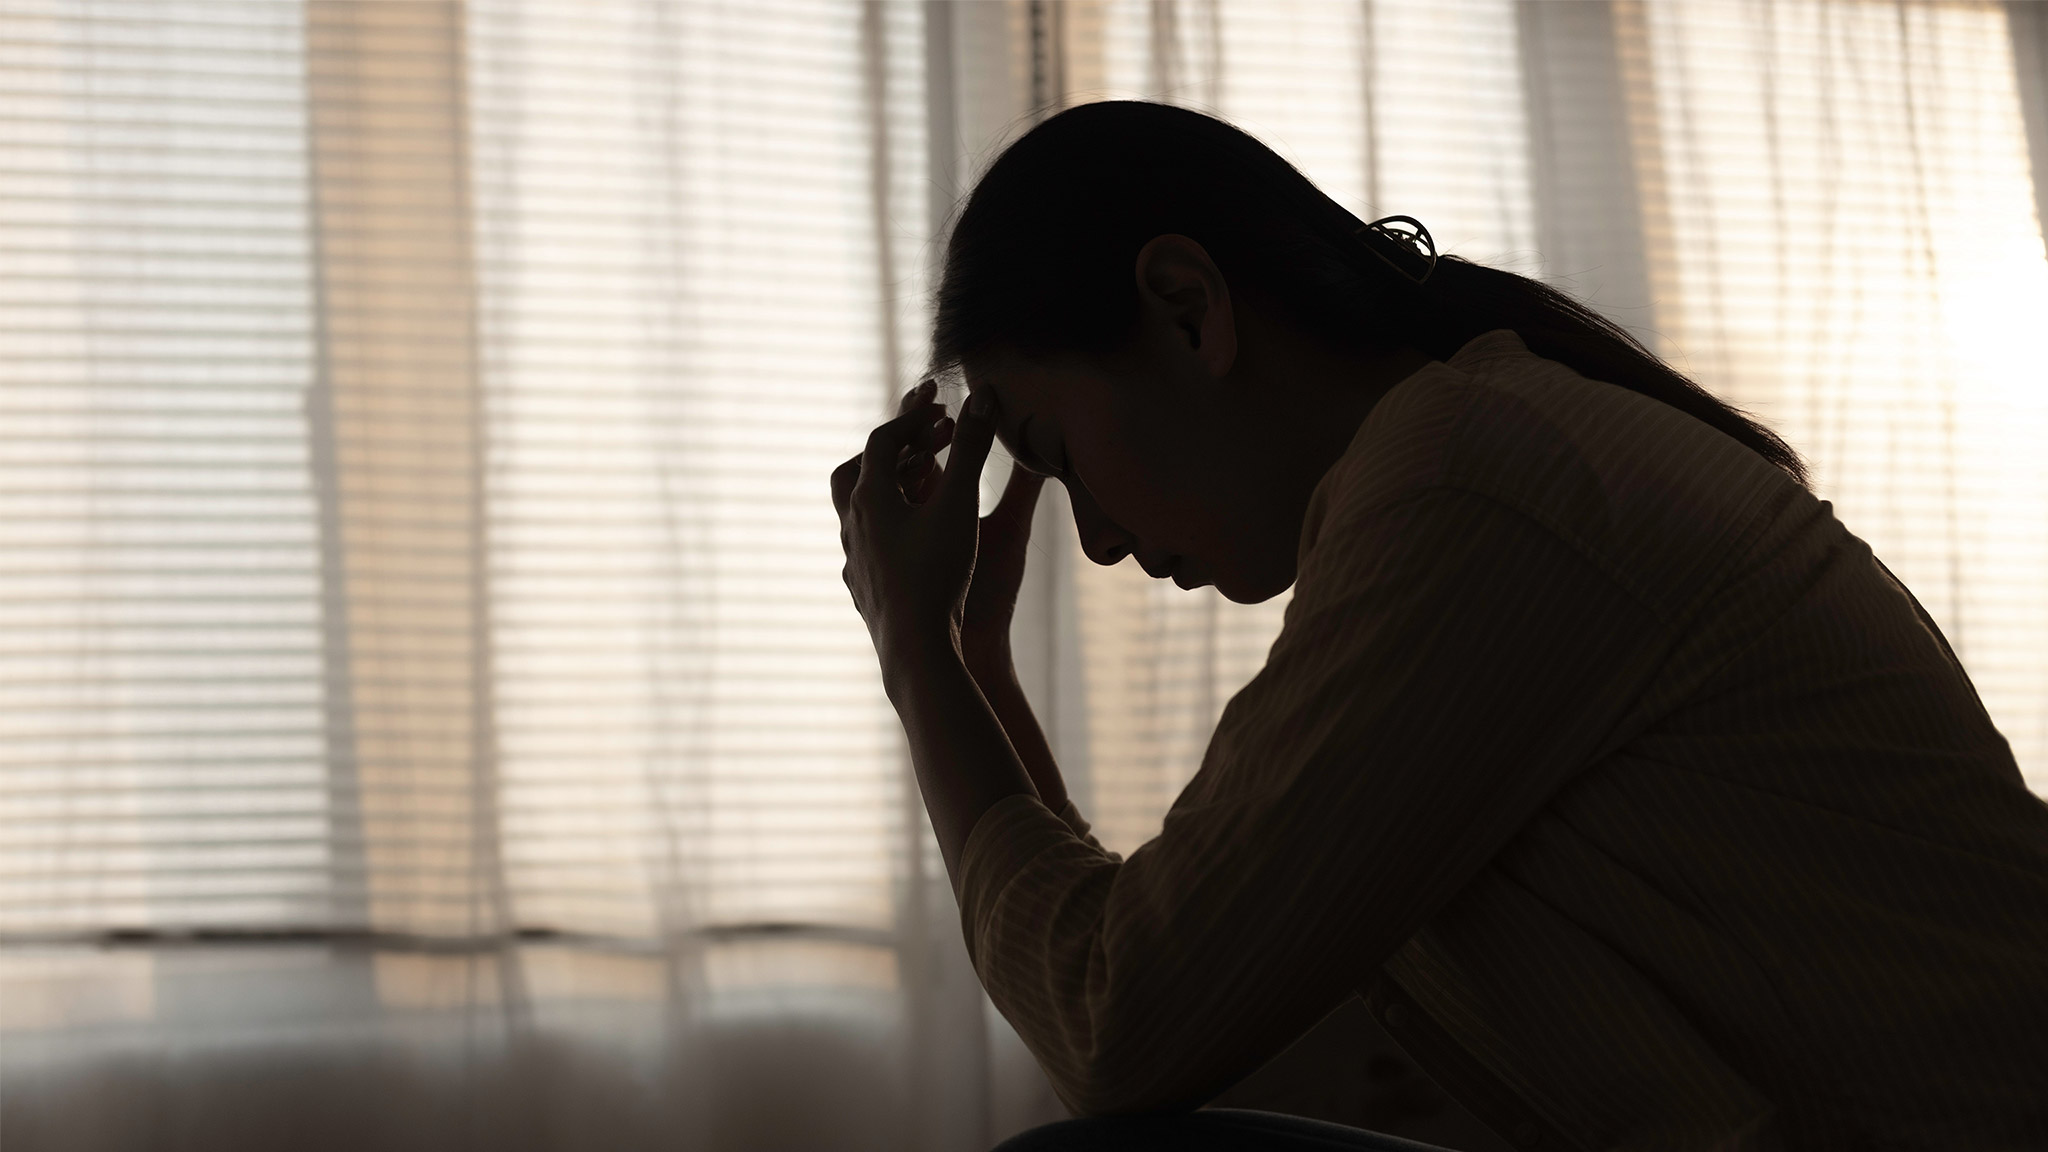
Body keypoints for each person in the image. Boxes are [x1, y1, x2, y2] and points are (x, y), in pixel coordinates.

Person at [828, 102, 2048, 1150]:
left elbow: (1117, 1026)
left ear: (1187, 309)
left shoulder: (1467, 482)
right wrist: (969, 665)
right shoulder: (1457, 471)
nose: (1090, 540)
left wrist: (918, 659)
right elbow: (1148, 1033)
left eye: (1058, 459)